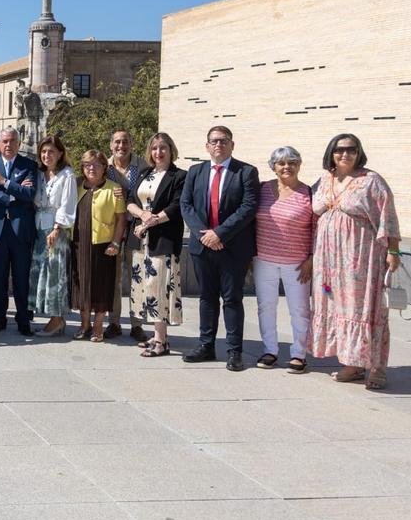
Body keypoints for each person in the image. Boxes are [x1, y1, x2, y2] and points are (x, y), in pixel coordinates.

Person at [311, 134, 400, 390]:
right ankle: (353, 364)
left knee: (365, 309)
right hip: (328, 261)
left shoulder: (371, 180)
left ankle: (376, 369)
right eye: (339, 150)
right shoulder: (324, 180)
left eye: (351, 149)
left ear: (359, 152)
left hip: (361, 257)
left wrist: (393, 251)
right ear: (331, 153)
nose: (345, 154)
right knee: (340, 308)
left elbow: (388, 217)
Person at [179, 126, 259, 371]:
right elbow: (186, 204)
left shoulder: (246, 172)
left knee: (232, 299)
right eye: (214, 141)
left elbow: (248, 207)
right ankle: (206, 346)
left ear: (232, 145)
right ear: (207, 146)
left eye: (224, 141)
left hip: (232, 247)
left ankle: (235, 351)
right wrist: (205, 235)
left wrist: (219, 233)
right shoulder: (195, 171)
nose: (218, 145)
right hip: (203, 247)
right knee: (207, 298)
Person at [252, 146, 315, 372]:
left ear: (299, 165)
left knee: (299, 309)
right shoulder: (262, 189)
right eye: (281, 163)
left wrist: (311, 258)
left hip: (297, 263)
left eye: (292, 162)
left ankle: (299, 354)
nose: (287, 167)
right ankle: (270, 351)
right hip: (264, 259)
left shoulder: (309, 193)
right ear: (274, 166)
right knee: (265, 307)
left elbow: (317, 229)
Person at [127, 133, 187, 358]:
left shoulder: (179, 176)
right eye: (154, 148)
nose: (158, 152)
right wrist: (142, 215)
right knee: (145, 288)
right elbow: (130, 200)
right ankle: (156, 334)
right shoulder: (145, 173)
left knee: (158, 287)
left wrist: (148, 222)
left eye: (163, 148)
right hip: (141, 241)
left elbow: (175, 207)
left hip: (163, 239)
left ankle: (161, 341)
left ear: (171, 150)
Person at [0, 126, 37, 334]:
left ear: (19, 144)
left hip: (20, 231)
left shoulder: (29, 165)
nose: (8, 145)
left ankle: (23, 320)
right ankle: (0, 318)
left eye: (12, 141)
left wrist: (4, 183)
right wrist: (13, 194)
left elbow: (29, 194)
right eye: (4, 141)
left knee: (21, 278)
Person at [71, 150, 127, 342]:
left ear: (105, 167)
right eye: (87, 165)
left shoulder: (114, 188)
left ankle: (98, 325)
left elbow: (121, 220)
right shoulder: (77, 186)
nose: (91, 168)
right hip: (79, 243)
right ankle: (84, 324)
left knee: (102, 286)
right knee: (82, 286)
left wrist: (115, 242)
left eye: (96, 164)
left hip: (104, 245)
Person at [28, 135, 75, 336]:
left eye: (51, 152)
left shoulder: (67, 175)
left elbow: (67, 203)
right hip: (39, 229)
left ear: (60, 154)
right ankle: (55, 318)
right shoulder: (39, 174)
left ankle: (57, 319)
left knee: (56, 274)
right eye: (44, 151)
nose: (47, 155)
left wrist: (57, 228)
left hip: (56, 230)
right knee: (43, 274)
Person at [107, 129, 151, 341]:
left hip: (136, 228)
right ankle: (114, 322)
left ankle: (137, 324)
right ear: (110, 145)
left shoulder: (144, 166)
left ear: (131, 144)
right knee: (113, 278)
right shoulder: (104, 167)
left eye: (125, 142)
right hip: (112, 228)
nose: (121, 146)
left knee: (136, 276)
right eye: (117, 142)